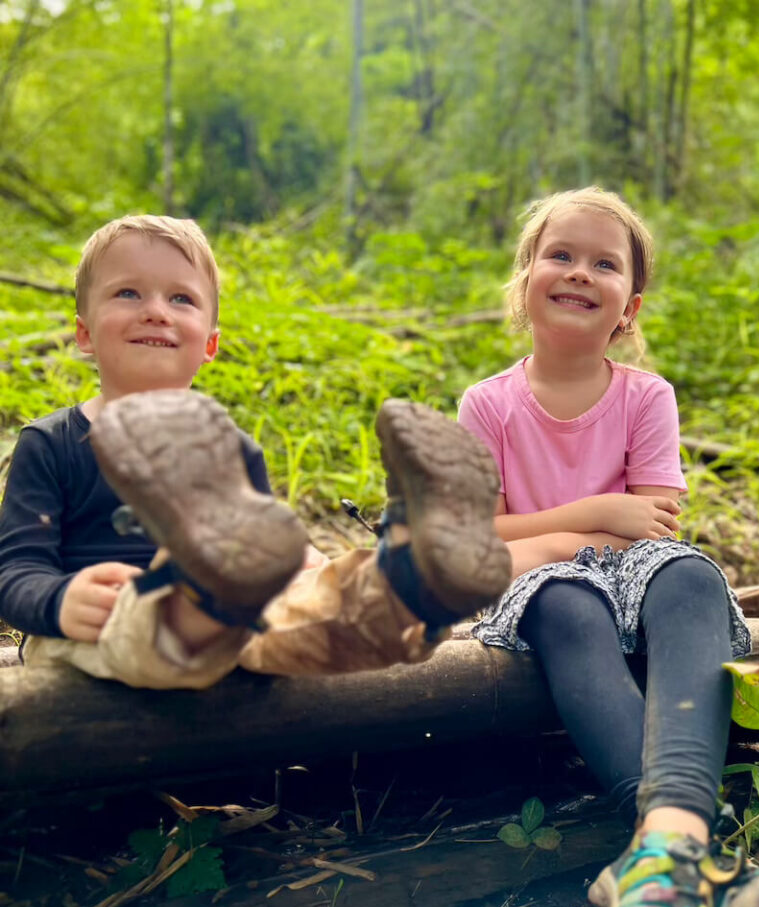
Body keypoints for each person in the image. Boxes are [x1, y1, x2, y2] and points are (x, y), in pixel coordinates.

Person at [457, 187, 759, 907]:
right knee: (565, 600)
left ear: (628, 308)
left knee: (693, 575)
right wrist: (587, 522)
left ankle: (665, 848)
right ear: (524, 280)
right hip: (543, 591)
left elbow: (656, 532)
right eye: (560, 255)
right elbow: (481, 543)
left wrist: (557, 534)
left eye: (603, 263)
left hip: (640, 573)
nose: (579, 273)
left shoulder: (644, 397)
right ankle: (685, 872)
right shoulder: (488, 406)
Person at [0, 214, 511, 692]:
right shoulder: (52, 444)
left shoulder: (230, 450)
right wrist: (61, 601)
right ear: (84, 332)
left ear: (210, 344)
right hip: (91, 640)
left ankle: (399, 591)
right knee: (183, 618)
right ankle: (197, 593)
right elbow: (16, 573)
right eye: (128, 293)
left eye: (181, 299)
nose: (155, 311)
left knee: (294, 619)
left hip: (232, 625)